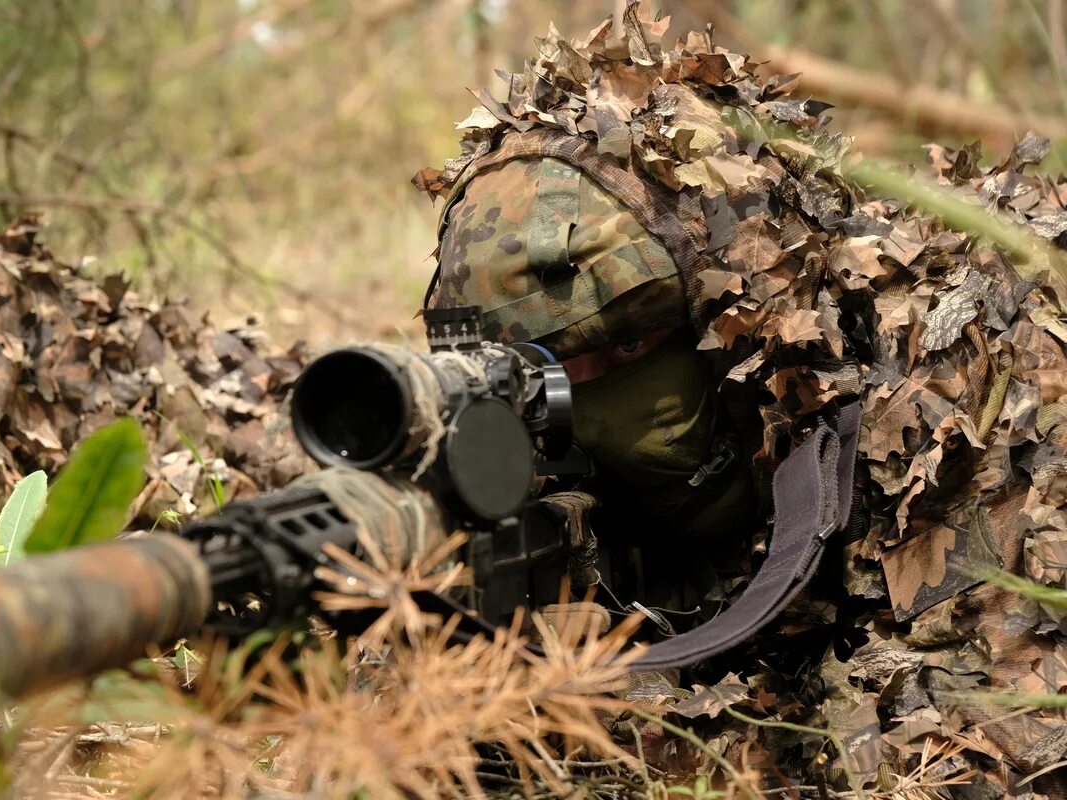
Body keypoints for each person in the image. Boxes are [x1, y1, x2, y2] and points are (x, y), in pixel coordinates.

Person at [415, 3, 1067, 796]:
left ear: (744, 319)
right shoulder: (531, 447)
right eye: (541, 364)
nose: (579, 400)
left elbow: (984, 746)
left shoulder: (974, 381)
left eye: (624, 348)